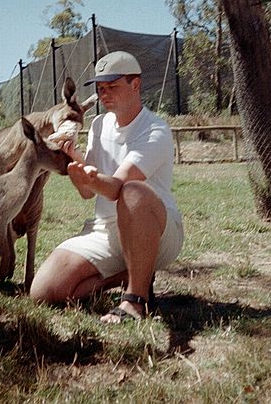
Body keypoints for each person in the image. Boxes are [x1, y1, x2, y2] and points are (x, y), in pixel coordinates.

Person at [30, 51, 184, 323]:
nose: (104, 94)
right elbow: (89, 191)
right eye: (101, 88)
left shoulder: (155, 130)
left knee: (133, 192)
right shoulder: (99, 125)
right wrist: (75, 161)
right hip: (105, 230)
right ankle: (131, 274)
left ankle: (135, 300)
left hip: (155, 229)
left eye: (112, 86)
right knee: (44, 291)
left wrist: (90, 177)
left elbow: (116, 188)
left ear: (135, 85)